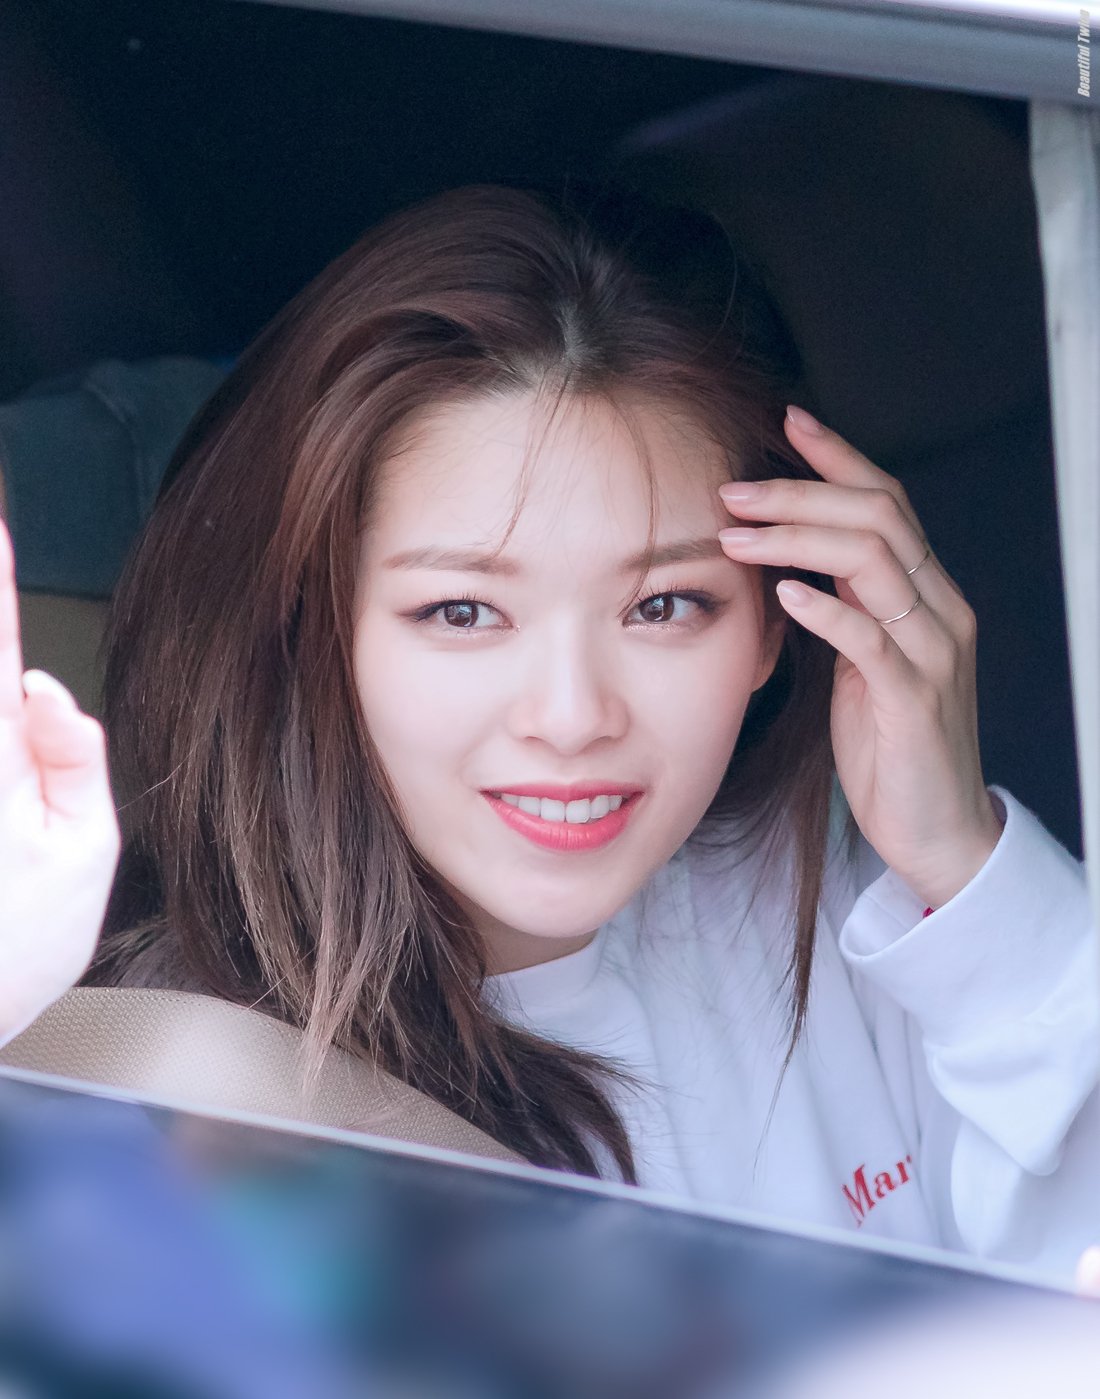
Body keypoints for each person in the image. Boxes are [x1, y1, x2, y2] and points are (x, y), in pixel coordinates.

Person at [1, 182, 1096, 1281]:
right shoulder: (193, 1103)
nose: (572, 718)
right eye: (462, 612)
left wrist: (963, 864)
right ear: (315, 633)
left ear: (776, 623)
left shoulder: (844, 904)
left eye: (663, 605)